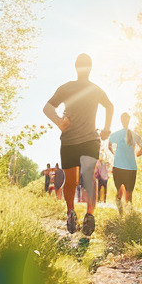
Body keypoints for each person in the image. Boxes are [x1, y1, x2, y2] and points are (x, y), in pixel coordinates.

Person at [43, 54, 113, 236]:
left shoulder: (70, 87)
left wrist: (59, 121)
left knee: (73, 179)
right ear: (90, 67)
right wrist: (106, 128)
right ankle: (84, 214)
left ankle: (73, 212)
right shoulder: (91, 89)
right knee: (86, 178)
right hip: (80, 139)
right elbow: (110, 106)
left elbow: (47, 108)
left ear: (77, 66)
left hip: (80, 140)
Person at [107, 112, 142, 214]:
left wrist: (116, 154)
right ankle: (128, 214)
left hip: (119, 167)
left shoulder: (115, 135)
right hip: (130, 167)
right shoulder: (135, 135)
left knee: (120, 192)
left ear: (121, 120)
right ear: (129, 120)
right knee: (128, 193)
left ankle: (121, 215)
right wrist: (134, 156)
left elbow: (109, 146)